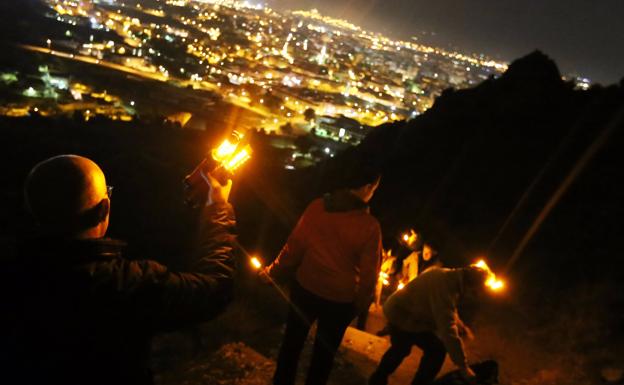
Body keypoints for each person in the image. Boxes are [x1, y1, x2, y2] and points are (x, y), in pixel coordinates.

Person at [0, 155, 237, 385]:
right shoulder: (127, 285)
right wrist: (217, 207)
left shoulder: (14, 274)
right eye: (108, 192)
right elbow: (215, 289)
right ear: (104, 209)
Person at [263, 165, 382, 385]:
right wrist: (359, 305)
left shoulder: (318, 207)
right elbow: (369, 276)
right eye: (374, 188)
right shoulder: (369, 227)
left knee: (292, 343)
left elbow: (294, 246)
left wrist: (273, 271)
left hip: (305, 288)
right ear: (367, 187)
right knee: (323, 356)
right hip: (339, 302)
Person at [369, 266, 489, 385]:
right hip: (401, 314)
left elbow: (449, 309)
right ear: (470, 283)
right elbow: (447, 330)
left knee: (433, 349)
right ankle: (378, 379)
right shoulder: (445, 286)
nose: (473, 295)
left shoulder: (449, 278)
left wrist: (461, 326)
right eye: (475, 291)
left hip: (413, 317)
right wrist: (464, 368)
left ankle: (378, 379)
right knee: (403, 348)